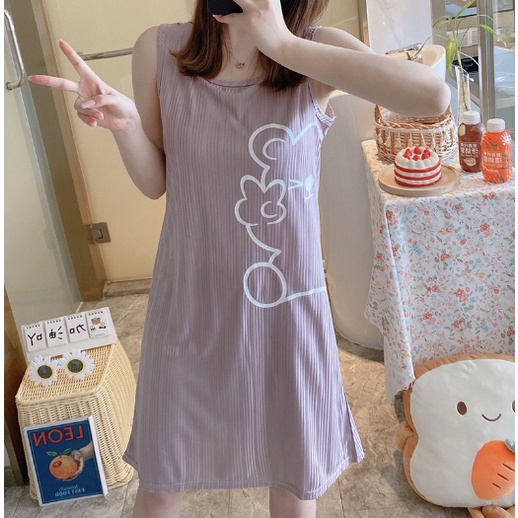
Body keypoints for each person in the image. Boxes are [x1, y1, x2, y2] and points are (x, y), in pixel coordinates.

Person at [29, 0, 450, 516]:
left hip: (285, 318)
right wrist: (126, 126)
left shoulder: (312, 49)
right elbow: (156, 182)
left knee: (293, 477)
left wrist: (282, 44)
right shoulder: (159, 49)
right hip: (188, 308)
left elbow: (431, 96)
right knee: (161, 480)